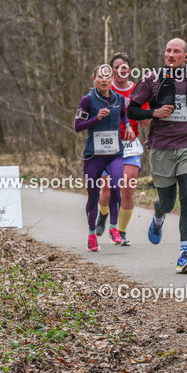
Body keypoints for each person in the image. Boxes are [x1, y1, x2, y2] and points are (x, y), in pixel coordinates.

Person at [128, 37, 187, 274]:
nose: (171, 54)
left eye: (176, 51)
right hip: (162, 147)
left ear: (186, 57)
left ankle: (184, 253)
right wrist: (154, 112)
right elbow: (132, 109)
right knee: (167, 202)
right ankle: (158, 215)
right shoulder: (152, 79)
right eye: (168, 50)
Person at [74, 65, 128, 252]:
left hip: (114, 153)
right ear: (94, 79)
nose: (104, 80)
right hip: (94, 155)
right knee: (94, 195)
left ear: (112, 79)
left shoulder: (119, 99)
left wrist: (127, 126)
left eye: (107, 76)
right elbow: (78, 126)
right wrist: (96, 119)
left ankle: (114, 228)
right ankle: (91, 235)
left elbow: (124, 116)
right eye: (100, 76)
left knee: (115, 186)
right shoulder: (87, 100)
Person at [95, 52, 146, 246]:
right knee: (106, 191)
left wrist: (154, 117)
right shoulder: (104, 90)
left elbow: (146, 118)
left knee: (128, 187)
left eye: (124, 67)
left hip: (130, 145)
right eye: (116, 67)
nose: (120, 71)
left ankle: (120, 231)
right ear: (111, 71)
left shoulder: (139, 90)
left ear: (129, 70)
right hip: (107, 144)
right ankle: (103, 213)